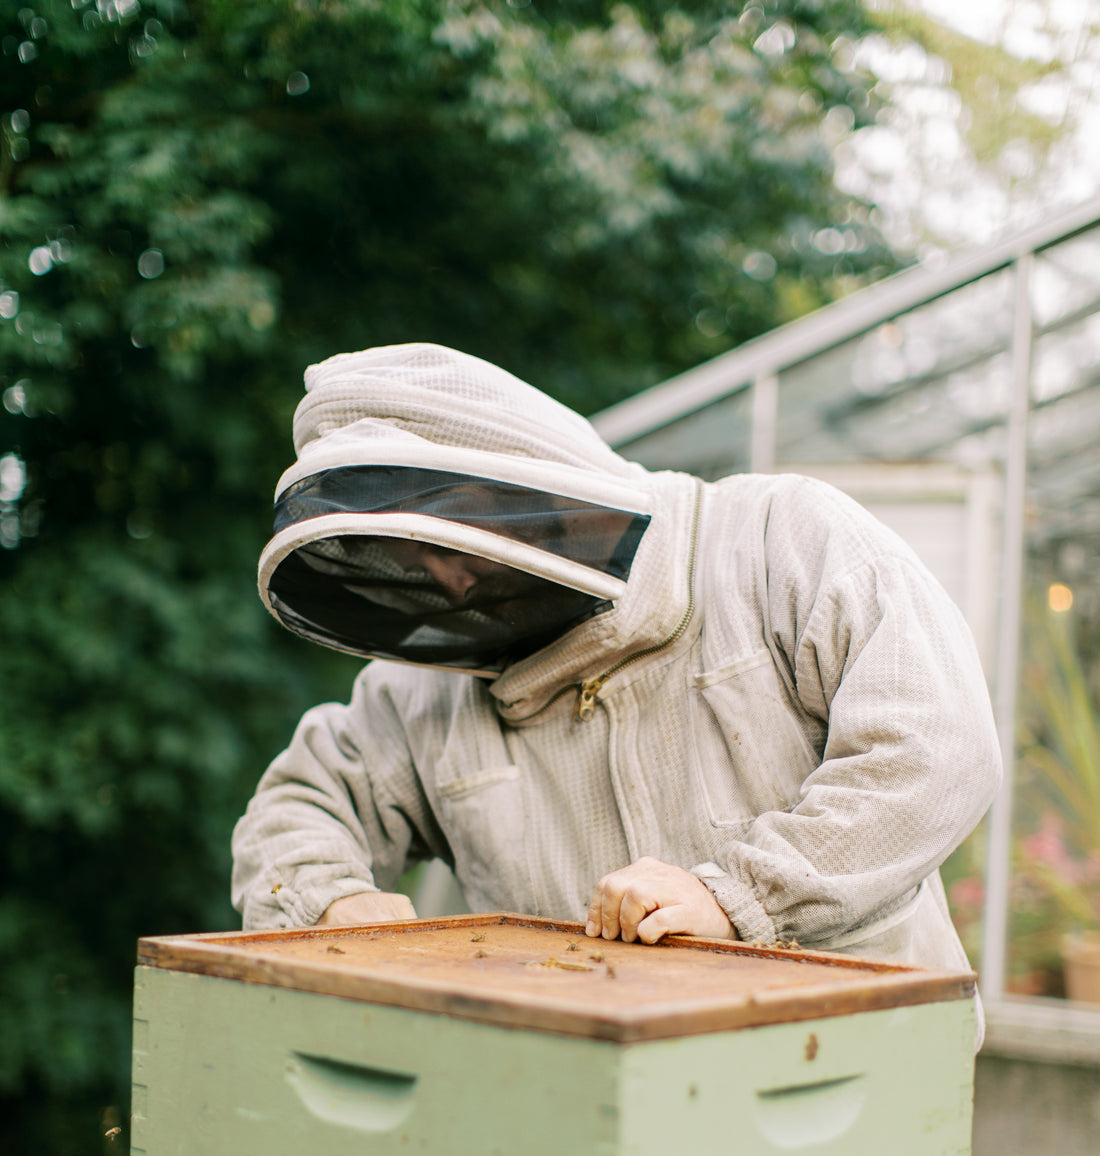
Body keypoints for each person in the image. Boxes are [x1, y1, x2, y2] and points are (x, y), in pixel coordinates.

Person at [231, 343, 1001, 1015]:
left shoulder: (779, 542)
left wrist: (740, 896)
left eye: (456, 533)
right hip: (571, 1108)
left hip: (856, 1069)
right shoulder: (423, 695)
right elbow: (303, 799)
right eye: (410, 562)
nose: (452, 586)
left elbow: (935, 747)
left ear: (528, 485)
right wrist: (331, 904)